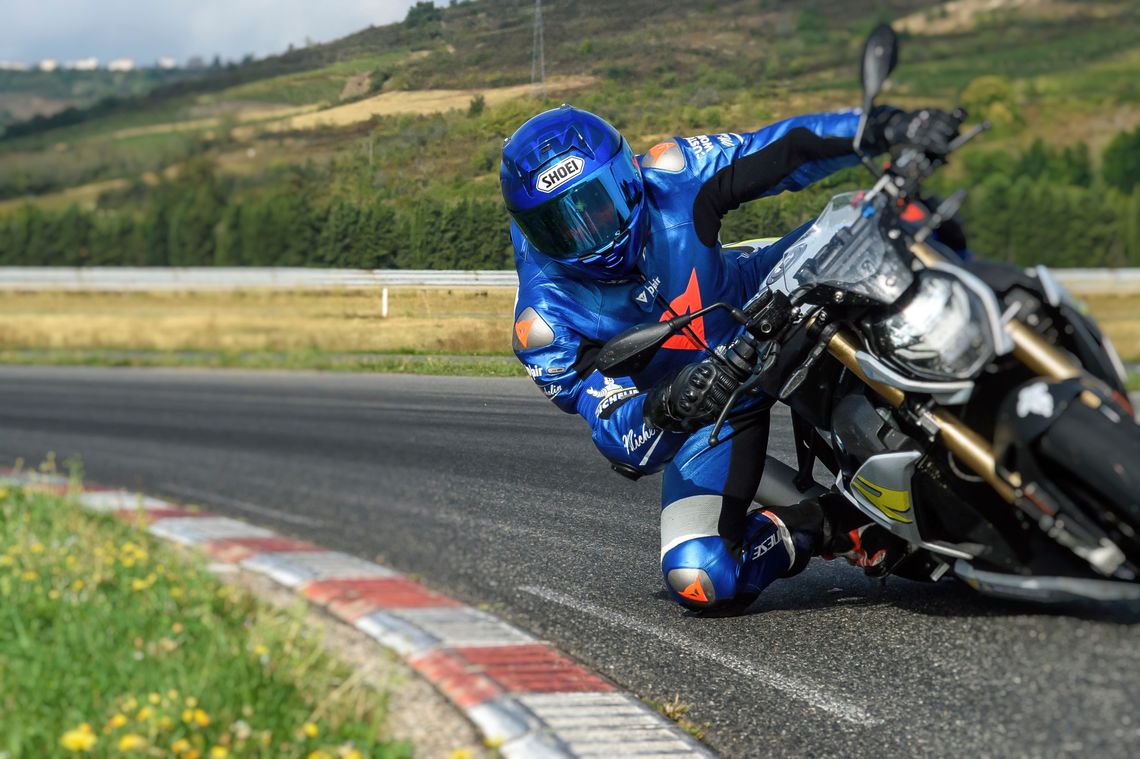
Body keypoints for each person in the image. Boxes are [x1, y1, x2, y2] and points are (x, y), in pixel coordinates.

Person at [501, 104, 960, 612]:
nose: (591, 235)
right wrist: (667, 406)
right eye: (560, 226)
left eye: (598, 204)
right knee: (698, 576)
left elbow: (781, 149)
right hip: (708, 412)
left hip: (768, 298)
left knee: (899, 220)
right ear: (532, 231)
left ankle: (998, 340)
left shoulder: (671, 173)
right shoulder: (542, 323)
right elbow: (616, 434)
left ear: (628, 175)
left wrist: (884, 127)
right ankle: (826, 521)